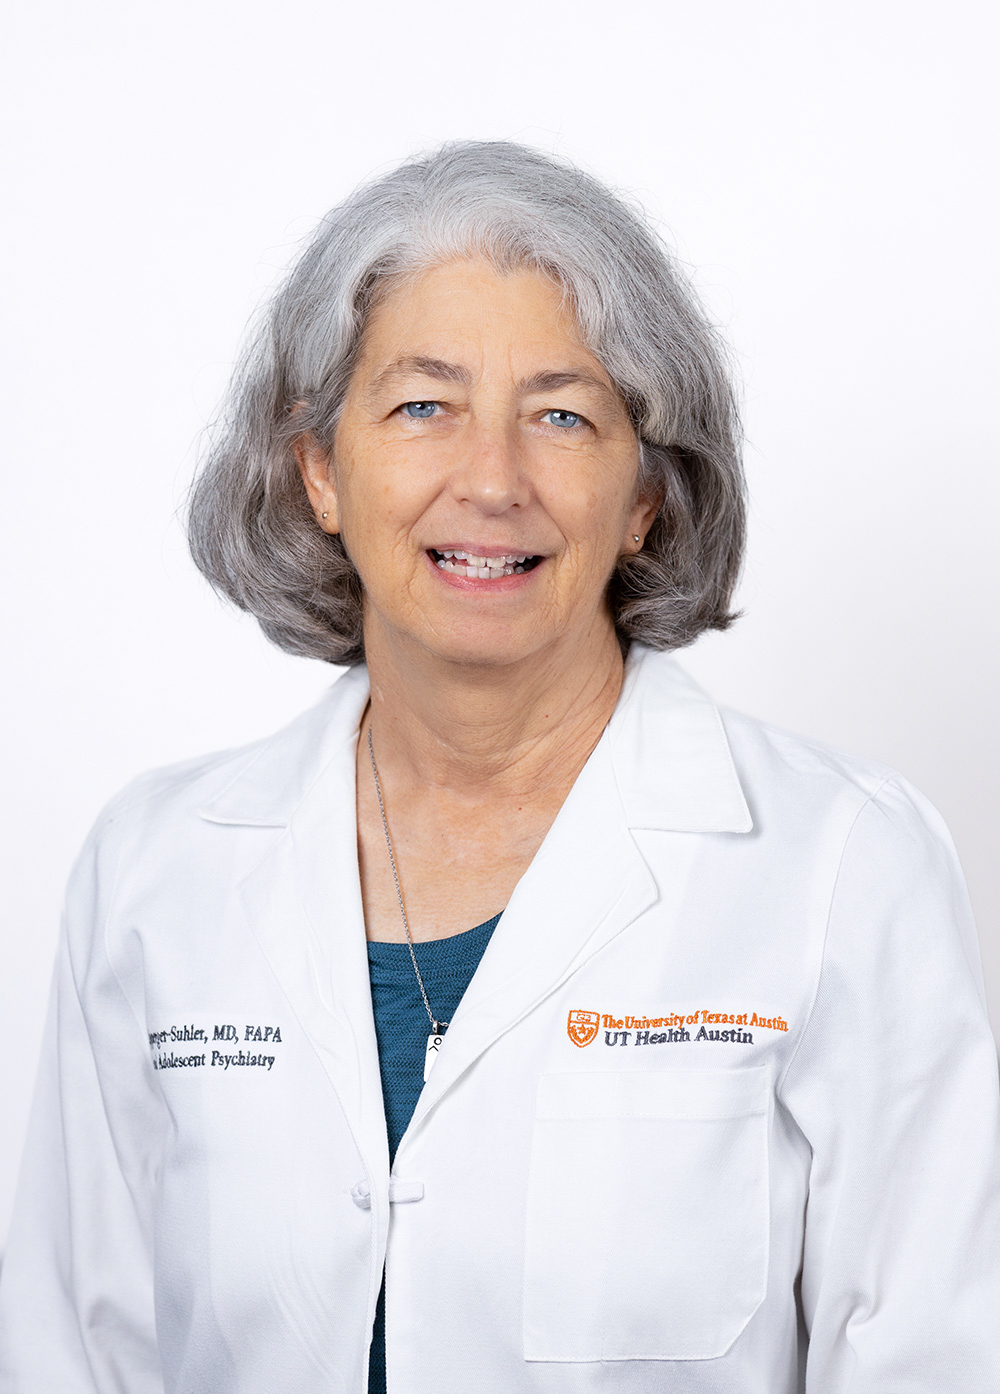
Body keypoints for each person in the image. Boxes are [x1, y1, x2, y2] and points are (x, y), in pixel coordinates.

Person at [0, 139, 997, 1394]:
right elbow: (75, 1357)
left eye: (562, 415)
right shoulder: (154, 868)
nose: (491, 479)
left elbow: (934, 1360)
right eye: (423, 404)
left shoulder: (843, 865)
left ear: (642, 494)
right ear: (317, 467)